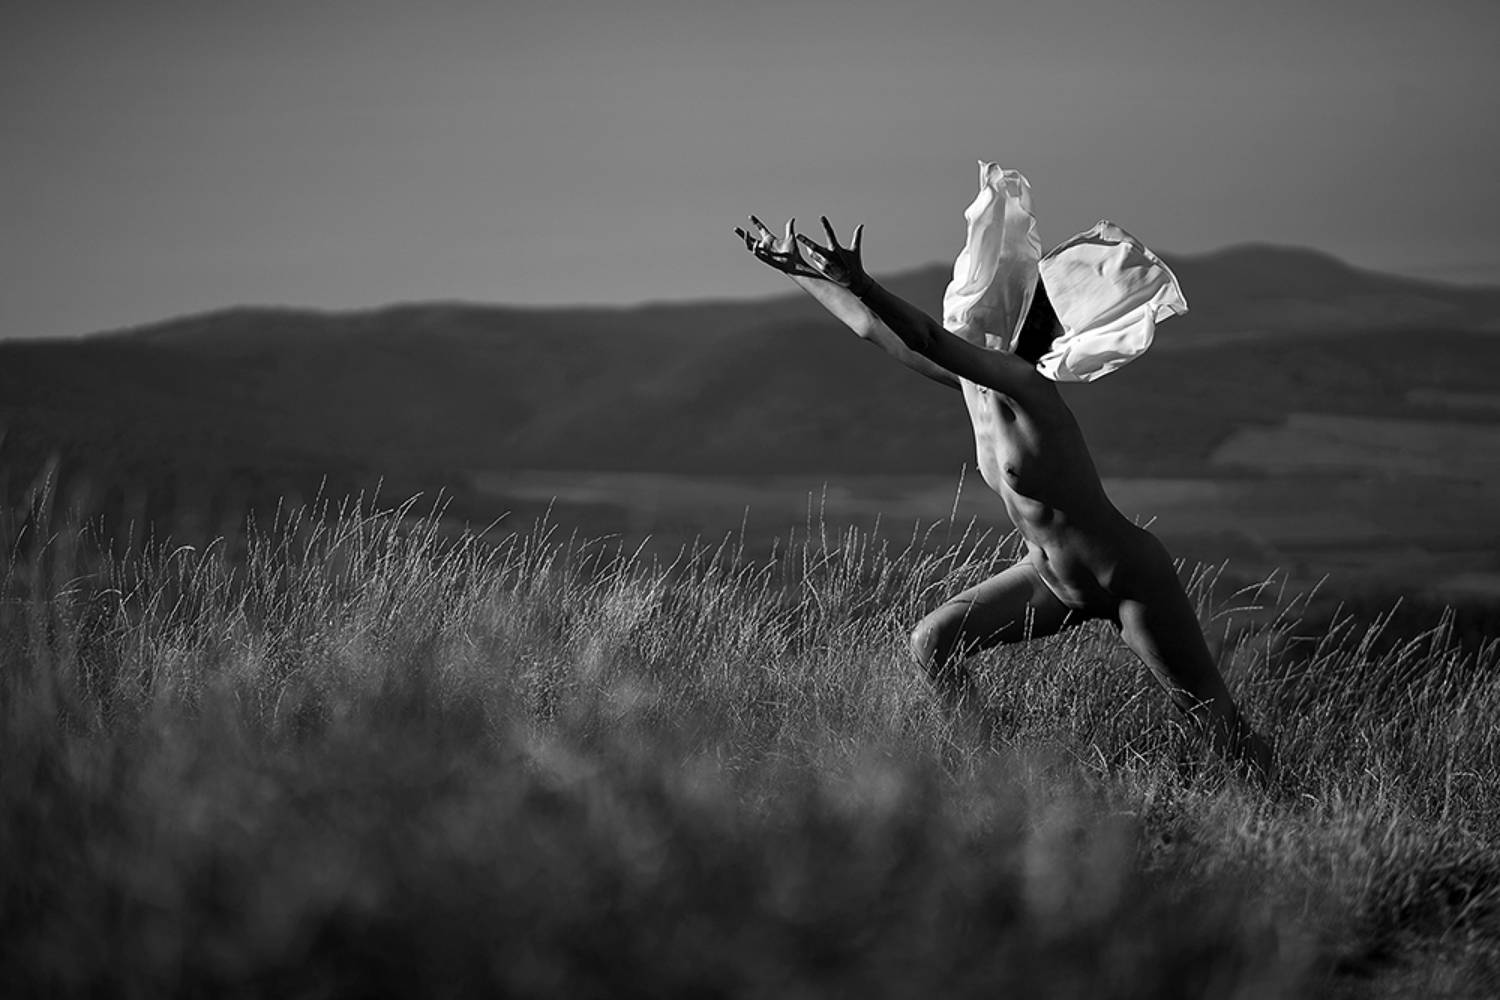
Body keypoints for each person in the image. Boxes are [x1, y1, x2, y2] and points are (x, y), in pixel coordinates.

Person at [733, 163, 1274, 780]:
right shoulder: (977, 383)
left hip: (1129, 578)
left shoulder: (1027, 387)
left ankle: (1275, 796)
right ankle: (993, 780)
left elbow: (927, 336)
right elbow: (874, 331)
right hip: (1051, 578)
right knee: (933, 644)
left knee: (1212, 721)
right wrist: (799, 271)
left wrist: (864, 281)